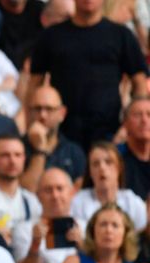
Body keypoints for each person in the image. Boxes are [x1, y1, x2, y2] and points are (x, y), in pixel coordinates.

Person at [29, 0, 148, 146]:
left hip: (110, 133)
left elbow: (140, 83)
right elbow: (33, 86)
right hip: (61, 135)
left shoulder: (121, 35)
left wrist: (127, 125)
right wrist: (34, 123)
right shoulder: (51, 37)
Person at [13, 168, 84, 263]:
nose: (55, 195)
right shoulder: (24, 229)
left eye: (60, 188)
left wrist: (83, 246)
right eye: (48, 190)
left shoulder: (86, 227)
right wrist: (35, 244)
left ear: (72, 192)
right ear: (38, 196)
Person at [0, 134, 43, 244]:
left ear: (24, 159)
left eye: (18, 155)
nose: (12, 161)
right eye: (5, 155)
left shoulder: (31, 200)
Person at [19, 85, 86, 191]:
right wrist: (39, 151)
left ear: (62, 113)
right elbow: (26, 193)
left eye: (49, 109)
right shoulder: (15, 149)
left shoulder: (74, 152)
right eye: (37, 108)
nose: (43, 115)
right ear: (28, 112)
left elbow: (74, 197)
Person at [71, 141, 147, 232]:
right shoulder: (78, 202)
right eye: (95, 164)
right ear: (90, 172)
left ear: (119, 168)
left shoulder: (133, 203)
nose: (102, 168)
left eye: (108, 162)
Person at [118, 97, 150, 201]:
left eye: (149, 114)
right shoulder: (116, 159)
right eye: (137, 115)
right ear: (125, 123)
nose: (144, 120)